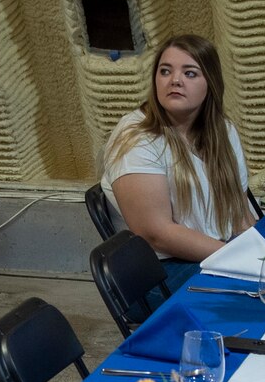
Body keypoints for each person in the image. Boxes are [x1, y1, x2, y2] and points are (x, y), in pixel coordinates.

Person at [100, 35, 254, 292]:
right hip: (164, 273)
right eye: (165, 71)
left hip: (215, 251)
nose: (175, 80)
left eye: (190, 73)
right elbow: (156, 234)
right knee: (258, 298)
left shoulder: (223, 131)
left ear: (211, 84)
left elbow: (239, 211)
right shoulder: (136, 138)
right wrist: (237, 260)